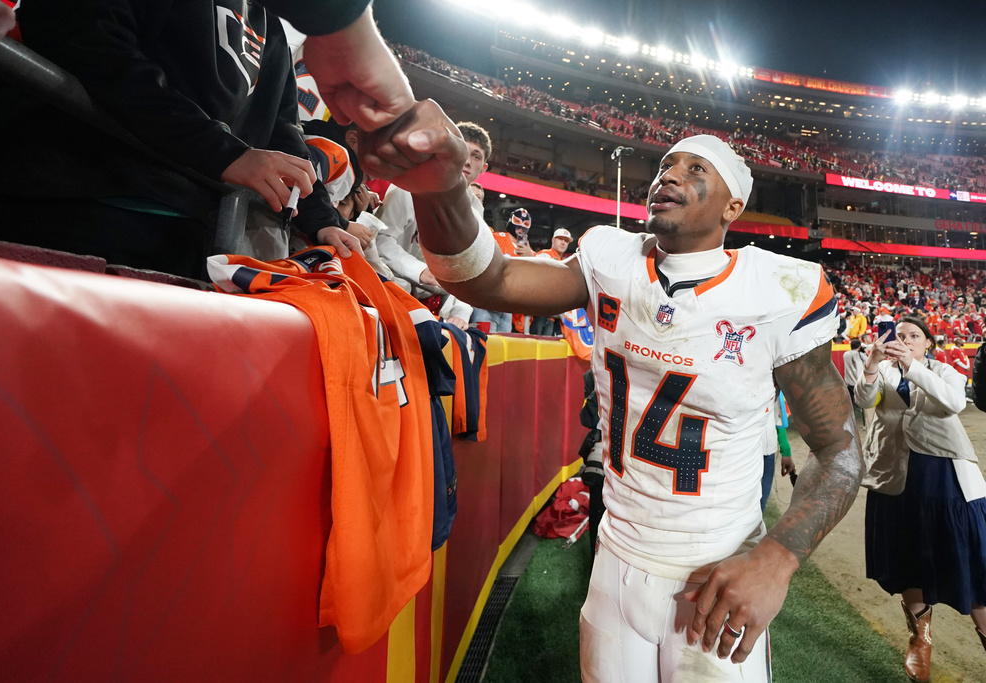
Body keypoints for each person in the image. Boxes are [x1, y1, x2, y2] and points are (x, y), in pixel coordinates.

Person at [358, 107, 864, 681]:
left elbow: (842, 451)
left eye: (696, 168)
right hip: (615, 558)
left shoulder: (777, 288)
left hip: (714, 568)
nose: (669, 174)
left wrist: (778, 558)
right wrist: (441, 188)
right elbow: (483, 279)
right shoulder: (610, 259)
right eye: (667, 163)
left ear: (733, 207)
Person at [0, 1, 407, 277]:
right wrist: (225, 153)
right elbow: (88, 44)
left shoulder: (269, 21)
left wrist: (319, 217)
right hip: (67, 201)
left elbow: (282, 126)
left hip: (188, 234)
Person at [854, 316, 986, 682]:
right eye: (900, 336)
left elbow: (952, 403)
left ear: (928, 343)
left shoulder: (947, 371)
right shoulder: (881, 372)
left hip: (947, 477)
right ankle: (920, 640)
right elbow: (863, 399)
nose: (906, 340)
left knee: (969, 557)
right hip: (896, 475)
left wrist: (912, 366)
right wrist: (871, 365)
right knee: (909, 555)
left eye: (914, 336)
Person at [375, 120, 492, 330]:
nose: (467, 161)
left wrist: (462, 311)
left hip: (440, 300)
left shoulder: (476, 208)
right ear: (446, 152)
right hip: (395, 286)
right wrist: (420, 271)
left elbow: (473, 268)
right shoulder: (408, 186)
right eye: (462, 150)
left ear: (483, 168)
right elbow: (381, 239)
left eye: (476, 156)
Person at [472, 207, 535, 333]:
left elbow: (536, 278)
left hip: (507, 307)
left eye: (525, 224)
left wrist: (532, 258)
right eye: (518, 221)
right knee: (484, 343)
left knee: (502, 346)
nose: (521, 226)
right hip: (486, 301)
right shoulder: (497, 238)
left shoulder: (528, 249)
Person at [530, 227, 574, 336]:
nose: (563, 243)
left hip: (552, 315)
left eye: (566, 241)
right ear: (553, 240)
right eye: (560, 239)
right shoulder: (545, 255)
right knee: (535, 341)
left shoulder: (565, 262)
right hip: (540, 309)